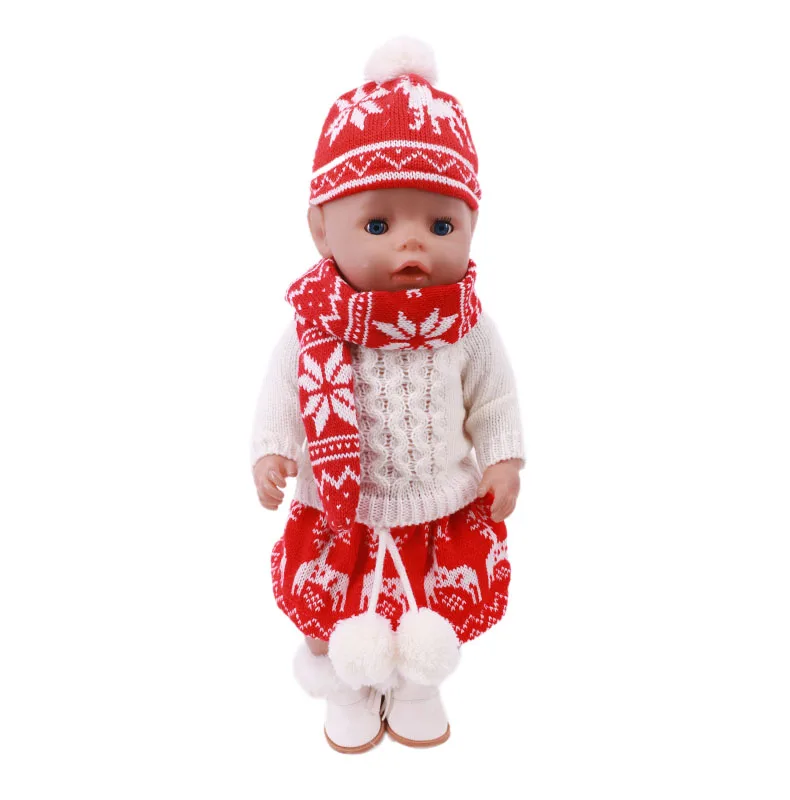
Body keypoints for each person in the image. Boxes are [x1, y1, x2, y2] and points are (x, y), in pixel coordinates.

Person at [250, 36, 526, 753]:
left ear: (472, 226)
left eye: (441, 225)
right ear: (322, 230)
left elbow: (494, 399)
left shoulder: (466, 326)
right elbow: (283, 392)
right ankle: (345, 688)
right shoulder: (315, 326)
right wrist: (273, 450)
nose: (413, 245)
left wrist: (503, 459)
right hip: (338, 510)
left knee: (430, 606)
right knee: (332, 609)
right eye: (377, 225)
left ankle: (416, 685)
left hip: (436, 503)